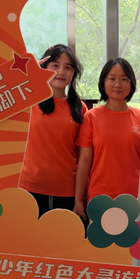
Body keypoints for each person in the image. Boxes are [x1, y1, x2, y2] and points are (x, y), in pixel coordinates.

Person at [73, 57, 140, 219]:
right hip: (100, 198)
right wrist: (79, 199)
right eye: (112, 79)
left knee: (133, 236)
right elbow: (84, 161)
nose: (118, 84)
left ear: (131, 84)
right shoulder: (91, 117)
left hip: (134, 198)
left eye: (123, 79)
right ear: (103, 82)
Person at [18, 44, 87, 217]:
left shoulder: (80, 108)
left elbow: (83, 158)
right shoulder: (28, 100)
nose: (61, 72)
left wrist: (79, 199)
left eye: (68, 67)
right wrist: (27, 75)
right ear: (44, 67)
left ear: (73, 73)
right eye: (55, 65)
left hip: (67, 191)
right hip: (29, 187)